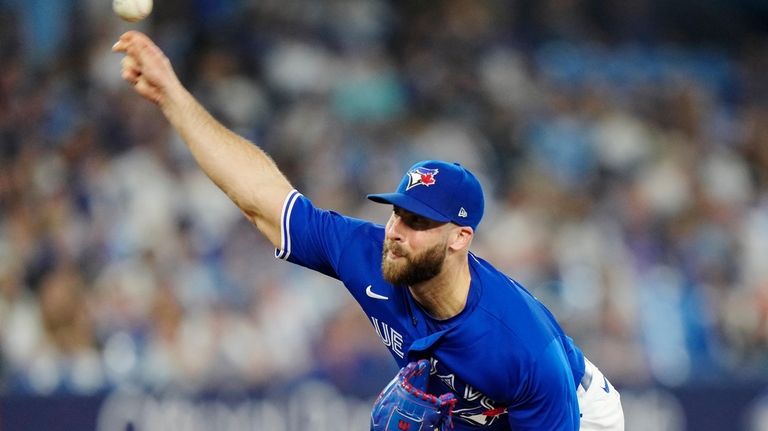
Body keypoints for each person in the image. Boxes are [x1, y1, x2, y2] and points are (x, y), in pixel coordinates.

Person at [112, 30, 624, 430]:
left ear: (459, 238)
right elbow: (261, 201)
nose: (398, 230)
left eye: (419, 222)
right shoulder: (373, 254)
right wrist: (174, 99)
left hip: (578, 417)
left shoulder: (520, 347)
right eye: (397, 212)